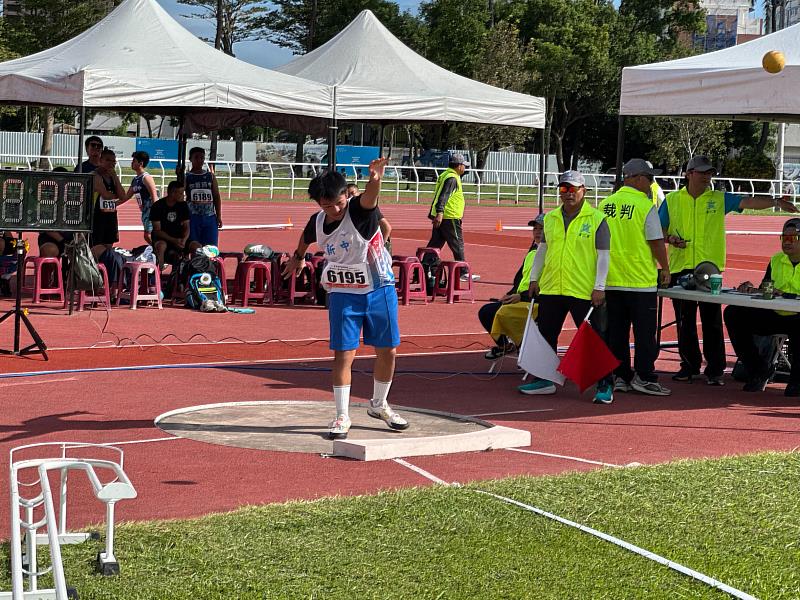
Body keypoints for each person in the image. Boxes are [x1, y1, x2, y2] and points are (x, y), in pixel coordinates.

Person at [281, 159, 409, 440]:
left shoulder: (359, 211)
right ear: (318, 204)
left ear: (347, 196)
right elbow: (305, 238)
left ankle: (379, 404)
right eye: (327, 206)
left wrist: (375, 178)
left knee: (388, 350)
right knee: (343, 354)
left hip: (379, 289)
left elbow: (371, 196)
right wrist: (299, 257)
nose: (335, 210)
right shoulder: (317, 220)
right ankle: (342, 414)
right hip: (343, 294)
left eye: (339, 203)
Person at [660, 155, 798, 385]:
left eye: (709, 173)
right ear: (689, 173)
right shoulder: (672, 199)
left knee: (711, 320)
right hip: (680, 266)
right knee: (684, 321)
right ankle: (689, 365)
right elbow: (659, 230)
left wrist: (775, 202)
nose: (706, 177)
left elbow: (748, 201)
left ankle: (714, 369)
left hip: (710, 268)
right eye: (702, 172)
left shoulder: (719, 198)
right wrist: (671, 239)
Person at [518, 170, 614, 404]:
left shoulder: (597, 219)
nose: (568, 194)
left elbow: (603, 256)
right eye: (563, 189)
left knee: (596, 337)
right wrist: (534, 278)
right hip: (552, 288)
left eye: (573, 189)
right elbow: (542, 250)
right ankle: (545, 378)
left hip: (583, 289)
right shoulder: (550, 219)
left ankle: (605, 383)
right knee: (546, 333)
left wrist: (599, 286)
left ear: (584, 191)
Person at [600, 159, 671, 396]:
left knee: (617, 333)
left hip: (611, 279)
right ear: (638, 179)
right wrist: (666, 268)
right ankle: (644, 376)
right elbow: (655, 241)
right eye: (650, 178)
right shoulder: (644, 206)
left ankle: (620, 376)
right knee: (644, 334)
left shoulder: (606, 204)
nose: (652, 183)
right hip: (640, 281)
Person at [724, 218, 800, 396]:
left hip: (798, 318)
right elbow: (766, 290)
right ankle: (758, 369)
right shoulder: (776, 260)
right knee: (734, 314)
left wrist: (786, 294)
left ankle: (796, 380)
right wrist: (750, 289)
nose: (787, 242)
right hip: (774, 315)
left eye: (793, 238)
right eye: (784, 237)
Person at [479, 214, 543, 360]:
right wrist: (510, 294)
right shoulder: (532, 251)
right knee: (486, 312)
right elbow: (520, 279)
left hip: (536, 302)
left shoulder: (550, 254)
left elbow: (546, 286)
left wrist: (521, 296)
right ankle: (505, 346)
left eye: (541, 229)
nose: (537, 232)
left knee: (500, 313)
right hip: (521, 299)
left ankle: (523, 347)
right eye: (535, 229)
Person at [426, 152, 479, 281]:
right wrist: (440, 212)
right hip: (449, 217)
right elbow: (444, 196)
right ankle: (463, 271)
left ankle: (424, 267)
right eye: (464, 166)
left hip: (443, 216)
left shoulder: (446, 175)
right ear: (459, 166)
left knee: (435, 245)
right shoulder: (452, 178)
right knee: (457, 244)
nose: (465, 168)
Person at [90, 148, 127, 260]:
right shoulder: (95, 175)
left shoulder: (112, 177)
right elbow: (106, 195)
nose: (111, 164)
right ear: (100, 160)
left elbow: (123, 195)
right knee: (97, 248)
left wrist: (115, 177)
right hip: (96, 217)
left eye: (113, 161)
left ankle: (106, 271)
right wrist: (115, 195)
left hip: (110, 217)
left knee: (108, 248)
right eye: (108, 160)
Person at [185, 147, 222, 246]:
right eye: (196, 157)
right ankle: (195, 262)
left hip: (209, 217)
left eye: (202, 158)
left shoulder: (211, 176)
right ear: (190, 159)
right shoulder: (187, 177)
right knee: (194, 245)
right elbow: (180, 193)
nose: (199, 160)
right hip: (193, 217)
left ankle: (209, 262)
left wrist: (218, 216)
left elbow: (216, 196)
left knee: (211, 247)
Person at [150, 181, 190, 270]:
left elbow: (186, 226)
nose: (183, 195)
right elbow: (157, 231)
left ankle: (191, 271)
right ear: (172, 193)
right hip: (163, 238)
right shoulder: (157, 206)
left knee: (195, 245)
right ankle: (159, 270)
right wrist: (174, 240)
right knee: (161, 245)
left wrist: (184, 240)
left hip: (179, 238)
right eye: (180, 193)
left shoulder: (183, 205)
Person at [125, 151, 159, 245]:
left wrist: (157, 213)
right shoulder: (135, 180)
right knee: (149, 236)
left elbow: (154, 196)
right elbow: (126, 197)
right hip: (144, 212)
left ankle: (160, 252)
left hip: (151, 211)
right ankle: (158, 252)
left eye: (134, 160)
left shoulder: (146, 178)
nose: (131, 162)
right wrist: (113, 204)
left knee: (148, 235)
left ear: (141, 163)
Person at [348, 182, 392, 252]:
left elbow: (387, 227)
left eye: (352, 193)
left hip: (377, 246)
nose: (350, 196)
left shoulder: (368, 208)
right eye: (348, 195)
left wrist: (380, 247)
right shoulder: (350, 209)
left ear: (359, 193)